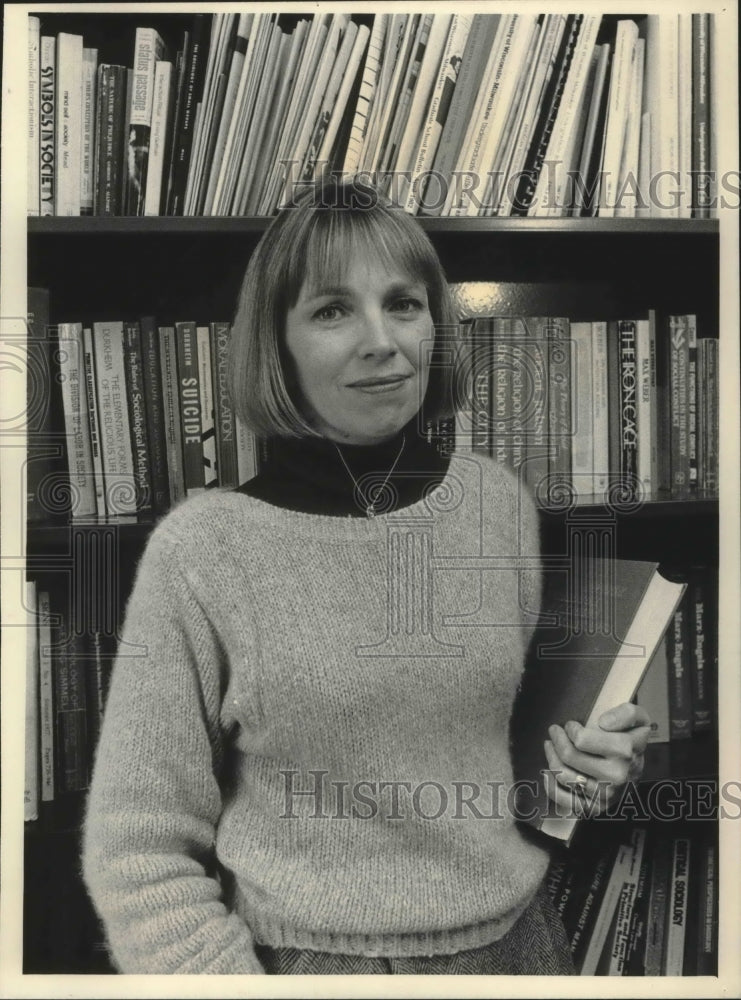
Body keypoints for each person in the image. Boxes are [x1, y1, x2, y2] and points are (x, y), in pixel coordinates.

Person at [82, 177, 651, 975]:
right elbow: (136, 845)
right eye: (330, 310)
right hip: (312, 964)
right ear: (276, 346)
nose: (380, 339)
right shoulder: (202, 552)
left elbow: (501, 762)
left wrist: (581, 776)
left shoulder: (496, 502)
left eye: (403, 303)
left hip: (523, 949)